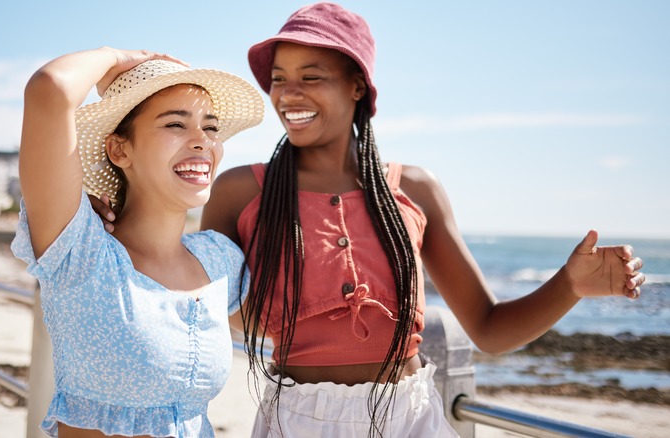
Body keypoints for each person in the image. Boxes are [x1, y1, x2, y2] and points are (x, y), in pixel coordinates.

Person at [91, 4, 646, 437]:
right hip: (295, 422)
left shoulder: (416, 189)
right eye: (280, 78)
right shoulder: (241, 190)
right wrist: (120, 227)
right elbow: (209, 303)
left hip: (411, 419)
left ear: (358, 85)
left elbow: (491, 329)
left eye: (312, 76)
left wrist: (569, 286)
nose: (289, 93)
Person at [11, 47, 264, 437]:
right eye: (176, 125)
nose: (202, 141)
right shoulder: (82, 253)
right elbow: (51, 88)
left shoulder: (219, 260)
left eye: (210, 127)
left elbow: (289, 325)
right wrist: (115, 57)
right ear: (119, 149)